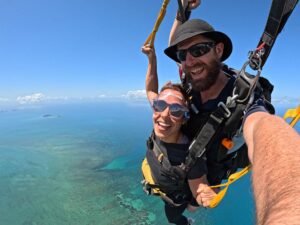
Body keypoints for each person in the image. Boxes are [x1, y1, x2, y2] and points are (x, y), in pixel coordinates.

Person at [165, 1, 300, 223]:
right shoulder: (191, 80)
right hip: (186, 169)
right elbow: (174, 43)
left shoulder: (243, 99)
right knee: (175, 210)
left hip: (208, 176)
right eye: (183, 55)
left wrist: (288, 210)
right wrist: (182, 10)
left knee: (191, 205)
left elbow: (263, 126)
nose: (189, 61)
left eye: (198, 50)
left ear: (218, 50)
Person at [141, 44, 218, 224]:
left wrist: (203, 197)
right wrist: (152, 58)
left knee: (173, 219)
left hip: (174, 200)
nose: (165, 114)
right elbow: (151, 89)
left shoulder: (190, 156)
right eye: (160, 105)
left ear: (184, 118)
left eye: (176, 110)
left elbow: (199, 187)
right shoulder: (160, 112)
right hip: (161, 182)